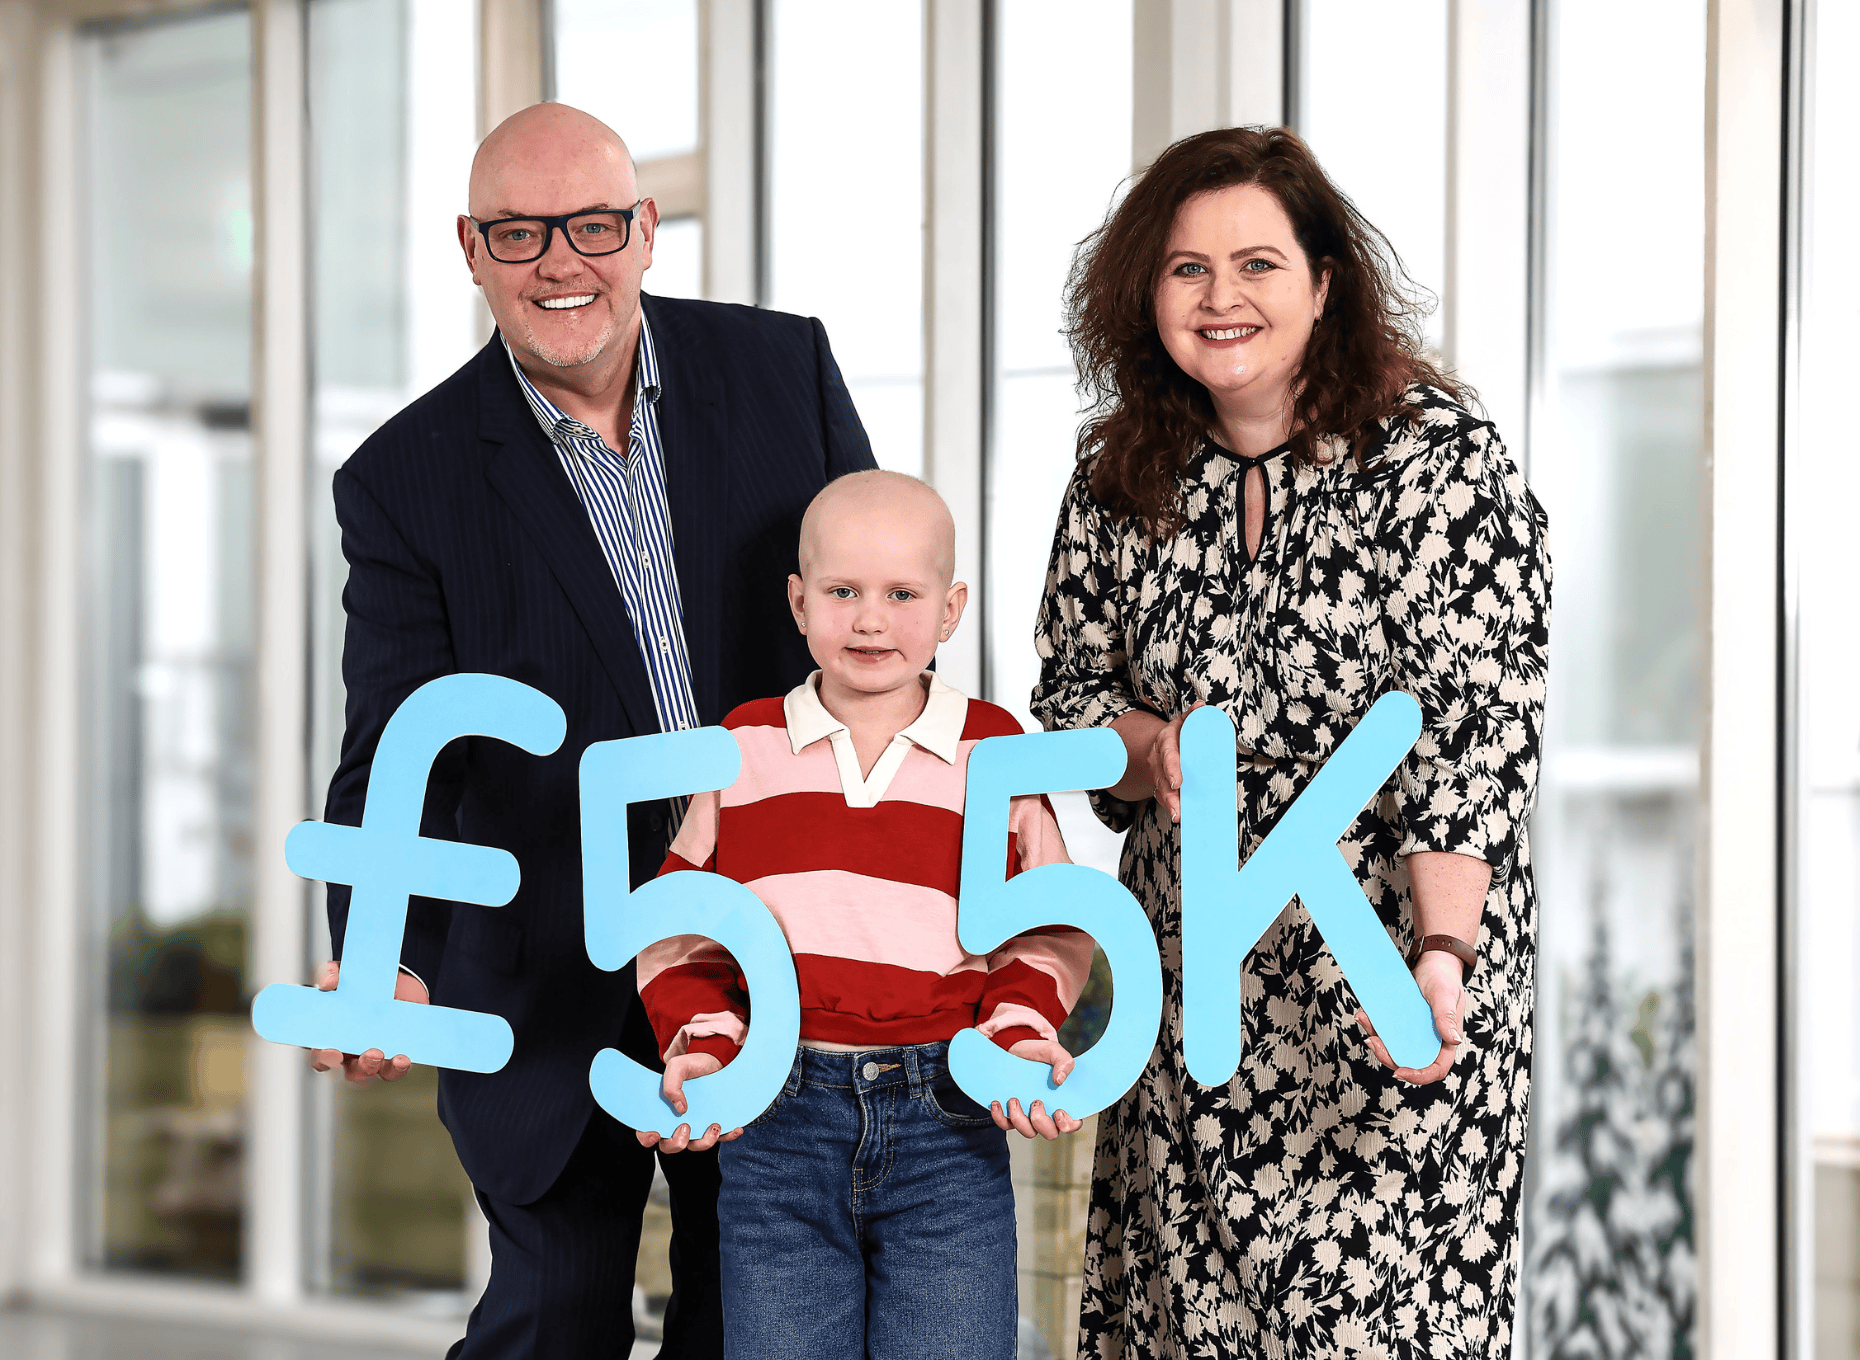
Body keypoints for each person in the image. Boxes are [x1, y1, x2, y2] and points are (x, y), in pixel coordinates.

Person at [306, 102, 875, 1360]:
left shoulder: (785, 375)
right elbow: (392, 743)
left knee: (753, 1322)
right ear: (470, 248)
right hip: (547, 981)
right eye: (519, 233)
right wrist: (381, 953)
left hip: (768, 957)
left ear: (646, 232)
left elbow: (878, 632)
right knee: (552, 1322)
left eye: (593, 224)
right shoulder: (404, 479)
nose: (562, 260)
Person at [1032, 127, 1551, 1357]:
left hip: (1390, 976)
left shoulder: (1438, 462)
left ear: (1325, 282)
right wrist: (1141, 745)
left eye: (1257, 264)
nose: (1222, 299)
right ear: (1142, 295)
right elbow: (1063, 694)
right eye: (1186, 270)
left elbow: (1474, 739)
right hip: (1196, 982)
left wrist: (1437, 954)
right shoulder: (1115, 477)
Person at [635, 470, 1096, 1359]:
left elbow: (1050, 923)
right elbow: (682, 925)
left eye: (901, 594)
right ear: (800, 604)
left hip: (950, 1127)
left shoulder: (994, 751)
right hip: (777, 1124)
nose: (871, 619)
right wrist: (704, 1039)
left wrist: (1022, 1027)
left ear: (951, 608)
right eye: (843, 593)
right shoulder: (744, 748)